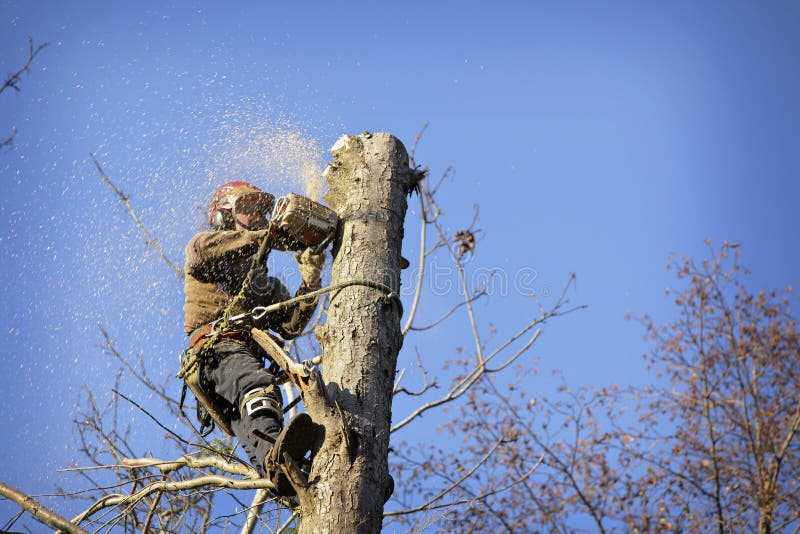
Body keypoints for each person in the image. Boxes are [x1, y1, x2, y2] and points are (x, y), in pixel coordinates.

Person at [182, 180, 324, 495]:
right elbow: (227, 247)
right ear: (223, 215)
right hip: (218, 352)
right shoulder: (204, 244)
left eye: (263, 211)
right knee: (258, 386)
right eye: (249, 209)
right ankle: (279, 457)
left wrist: (311, 281)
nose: (259, 216)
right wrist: (273, 234)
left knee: (253, 424)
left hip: (236, 366)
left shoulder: (260, 284)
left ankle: (288, 476)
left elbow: (290, 323)